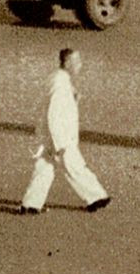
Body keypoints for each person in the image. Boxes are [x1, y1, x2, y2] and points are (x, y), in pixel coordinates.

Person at [19, 48, 110, 215]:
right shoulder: (60, 83)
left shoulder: (59, 79)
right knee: (74, 166)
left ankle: (31, 204)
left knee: (44, 168)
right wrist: (59, 143)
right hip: (59, 137)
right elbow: (53, 113)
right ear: (67, 63)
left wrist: (74, 99)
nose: (80, 65)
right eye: (77, 62)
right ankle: (97, 197)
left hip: (50, 136)